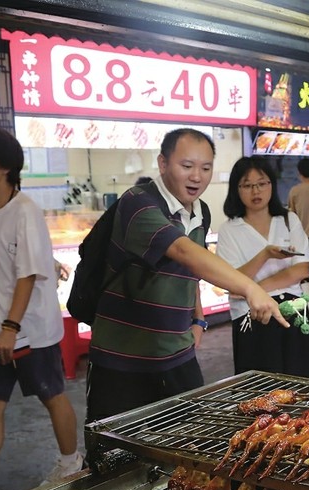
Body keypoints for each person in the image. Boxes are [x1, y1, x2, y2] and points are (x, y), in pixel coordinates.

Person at [85, 128, 288, 423]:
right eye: (187, 166)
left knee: (188, 439)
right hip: (122, 359)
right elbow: (182, 251)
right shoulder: (138, 202)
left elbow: (193, 268)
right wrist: (250, 288)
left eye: (205, 168)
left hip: (179, 354)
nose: (197, 176)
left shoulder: (201, 211)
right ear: (163, 163)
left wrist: (198, 319)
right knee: (117, 445)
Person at [0, 128, 81, 490]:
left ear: (6, 166)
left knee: (51, 394)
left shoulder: (23, 209)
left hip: (31, 329)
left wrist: (10, 329)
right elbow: (18, 259)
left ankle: (71, 463)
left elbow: (26, 276)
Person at [216, 156, 309, 376]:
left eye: (262, 183)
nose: (256, 191)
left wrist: (253, 289)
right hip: (250, 315)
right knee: (260, 386)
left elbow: (301, 269)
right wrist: (264, 255)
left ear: (271, 184)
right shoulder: (229, 230)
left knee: (303, 381)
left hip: (293, 311)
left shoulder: (288, 219)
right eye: (247, 185)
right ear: (236, 189)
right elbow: (231, 281)